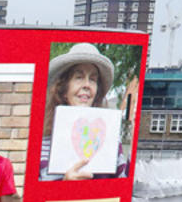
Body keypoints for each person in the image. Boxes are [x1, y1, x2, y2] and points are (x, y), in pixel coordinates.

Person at [39, 43, 125, 181]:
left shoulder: (111, 138)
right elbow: (35, 196)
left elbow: (123, 185)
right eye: (79, 77)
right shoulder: (42, 141)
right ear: (64, 89)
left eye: (92, 79)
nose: (86, 85)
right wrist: (63, 185)